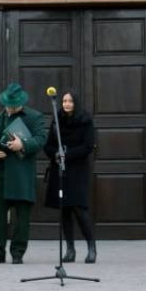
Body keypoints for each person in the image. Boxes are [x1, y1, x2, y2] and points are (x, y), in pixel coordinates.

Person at [0, 83, 47, 264]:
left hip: (21, 175)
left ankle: (18, 253)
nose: (10, 108)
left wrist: (23, 145)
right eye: (7, 105)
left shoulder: (34, 117)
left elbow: (41, 139)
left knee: (22, 218)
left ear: (21, 103)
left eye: (13, 105)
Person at [43, 90, 97, 263]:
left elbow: (88, 146)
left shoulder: (85, 121)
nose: (66, 104)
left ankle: (91, 248)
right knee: (64, 210)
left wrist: (69, 154)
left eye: (70, 101)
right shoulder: (57, 120)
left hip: (77, 170)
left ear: (76, 103)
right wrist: (56, 154)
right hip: (60, 170)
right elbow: (48, 146)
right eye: (64, 101)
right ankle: (70, 250)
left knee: (80, 210)